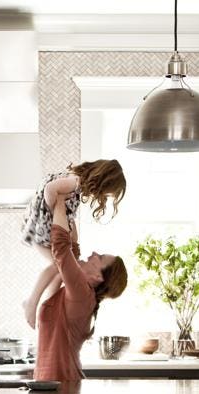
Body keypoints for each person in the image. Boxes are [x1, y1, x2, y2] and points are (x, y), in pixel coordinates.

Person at [32, 194, 128, 382]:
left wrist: (60, 198)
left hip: (63, 389)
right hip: (54, 387)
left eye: (100, 257)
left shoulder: (82, 294)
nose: (93, 254)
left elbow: (61, 249)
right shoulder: (79, 293)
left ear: (98, 277)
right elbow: (69, 256)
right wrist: (68, 210)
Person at [21, 160, 126, 329]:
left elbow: (64, 209)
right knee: (57, 266)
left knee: (59, 269)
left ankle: (42, 307)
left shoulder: (76, 182)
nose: (104, 196)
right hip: (40, 228)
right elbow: (50, 189)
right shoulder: (75, 182)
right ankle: (32, 302)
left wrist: (64, 219)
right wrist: (55, 211)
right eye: (107, 193)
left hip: (39, 227)